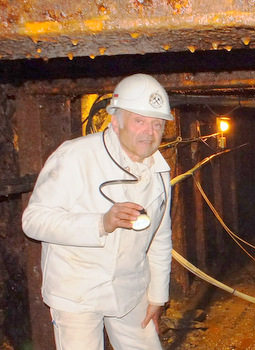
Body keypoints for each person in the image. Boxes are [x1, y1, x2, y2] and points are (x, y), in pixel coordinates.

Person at [22, 73, 173, 350]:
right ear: (116, 122)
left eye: (157, 124)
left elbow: (160, 236)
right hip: (77, 291)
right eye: (139, 121)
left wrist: (157, 296)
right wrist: (101, 223)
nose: (149, 132)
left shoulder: (160, 171)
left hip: (131, 288)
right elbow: (33, 221)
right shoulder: (75, 157)